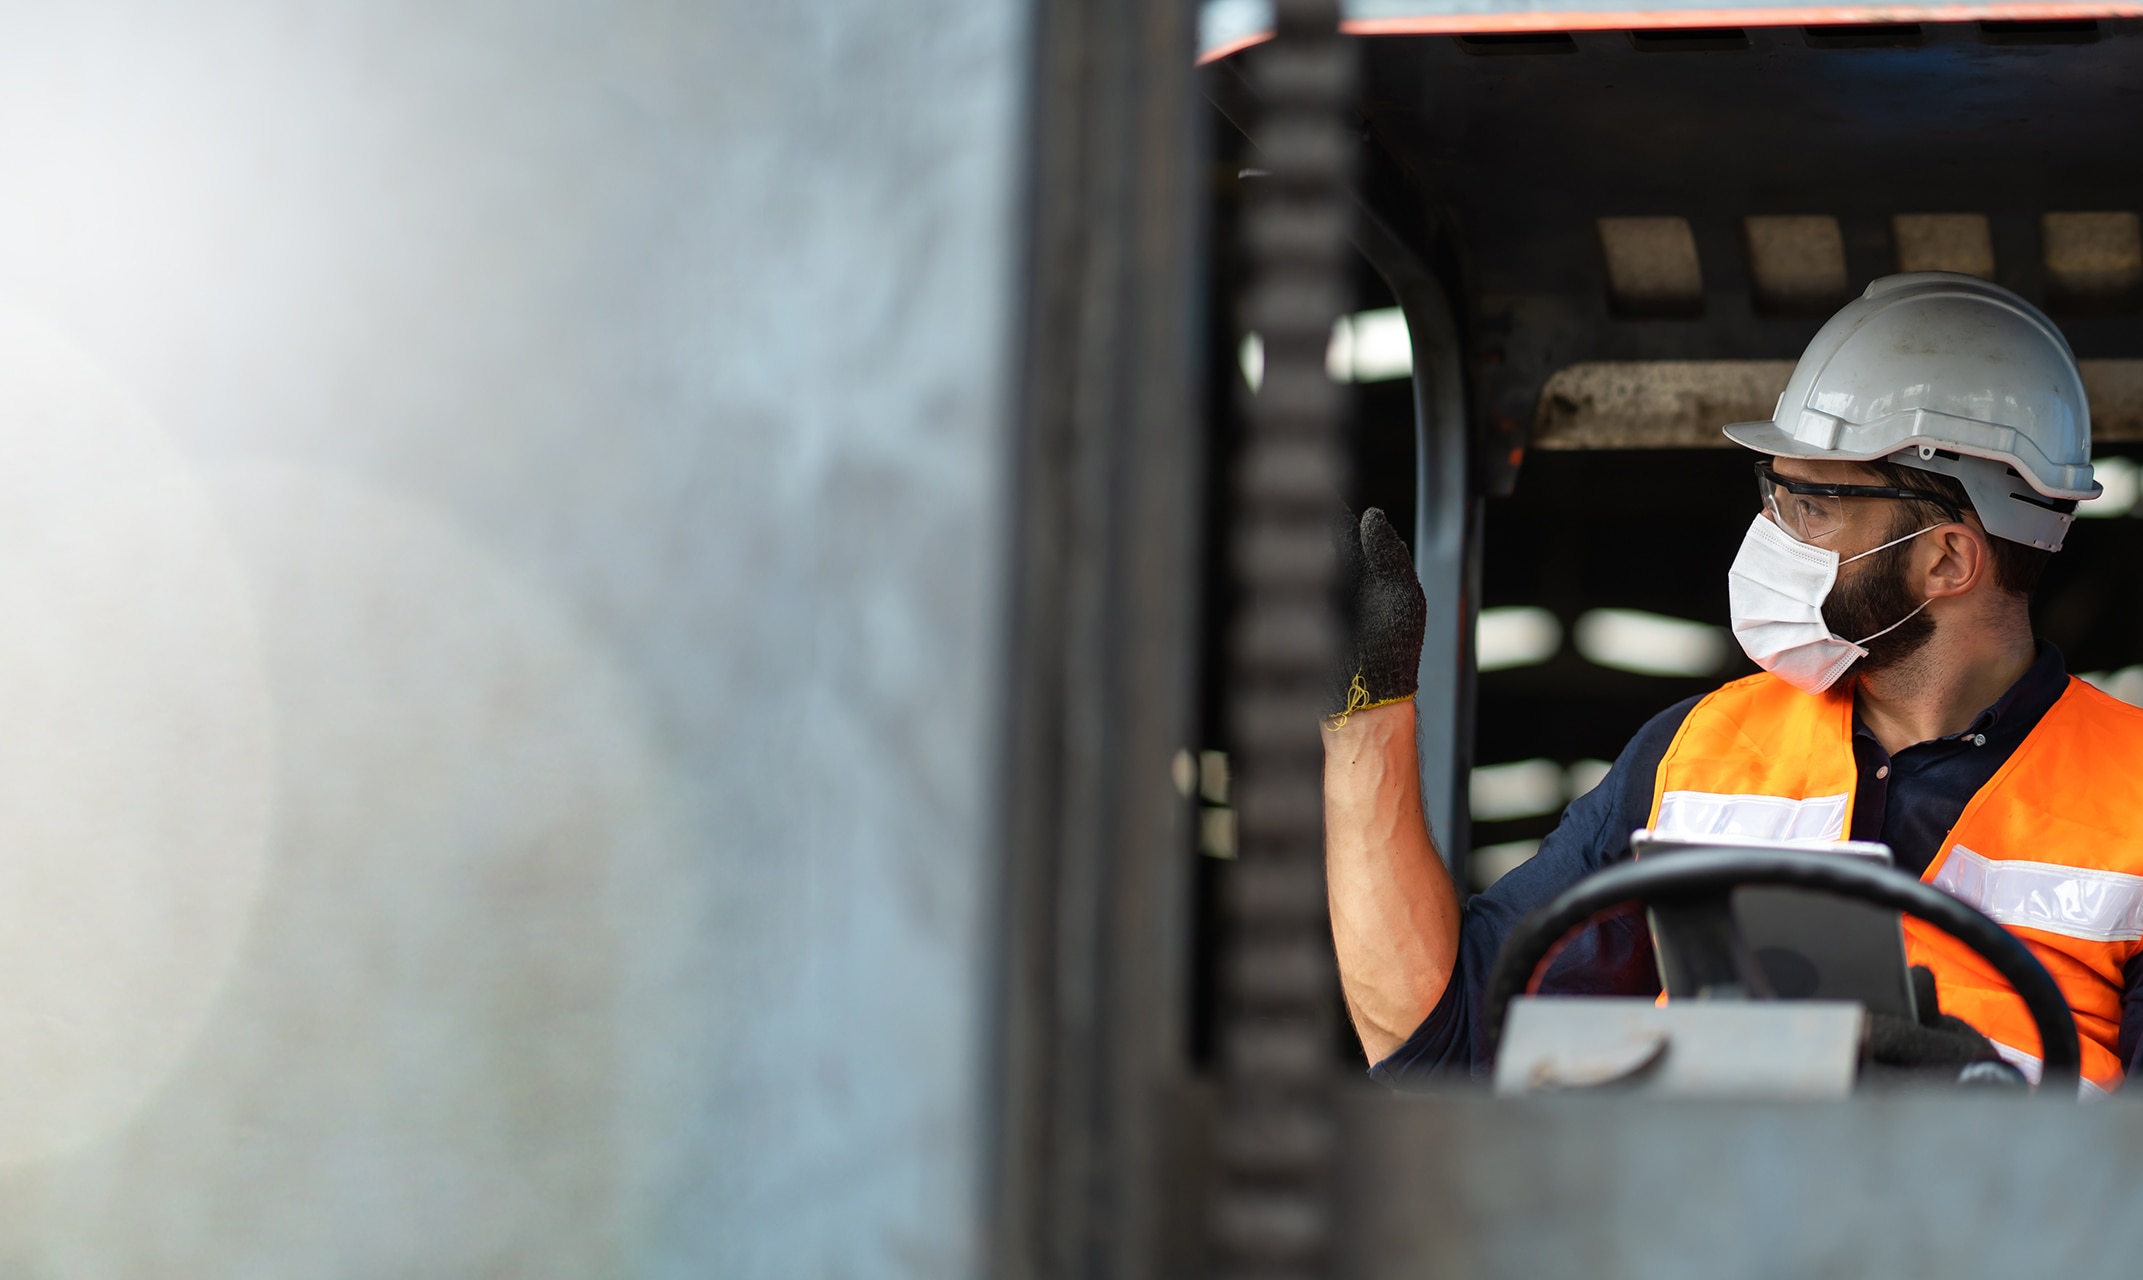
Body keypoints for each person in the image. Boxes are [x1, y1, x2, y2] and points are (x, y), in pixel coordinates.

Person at [1323, 272, 2143, 1096]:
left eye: (1809, 505)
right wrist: (1366, 701)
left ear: (1946, 560)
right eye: (1771, 490)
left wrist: (1988, 1110)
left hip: (2016, 1222)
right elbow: (1449, 1046)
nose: (1767, 534)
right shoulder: (1696, 754)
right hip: (1708, 1219)